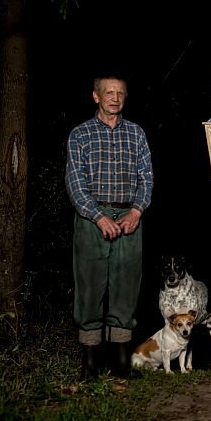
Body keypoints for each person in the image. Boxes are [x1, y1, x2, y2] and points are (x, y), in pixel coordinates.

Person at [66, 73, 154, 381]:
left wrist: (136, 211)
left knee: (126, 289)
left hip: (129, 216)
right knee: (90, 289)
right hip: (92, 217)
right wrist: (98, 216)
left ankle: (121, 363)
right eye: (108, 93)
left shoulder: (136, 133)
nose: (114, 98)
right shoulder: (80, 134)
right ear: (96, 96)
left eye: (119, 93)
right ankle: (90, 365)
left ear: (125, 98)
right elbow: (75, 182)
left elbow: (146, 178)